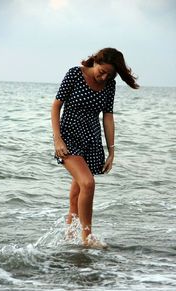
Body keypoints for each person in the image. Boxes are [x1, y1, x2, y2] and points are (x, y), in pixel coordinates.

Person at [51, 47, 139, 247]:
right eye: (102, 71)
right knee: (88, 183)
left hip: (91, 139)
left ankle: (69, 235)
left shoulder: (110, 85)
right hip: (68, 137)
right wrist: (57, 139)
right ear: (95, 62)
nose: (104, 77)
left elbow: (108, 116)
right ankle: (87, 238)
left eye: (110, 74)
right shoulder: (75, 74)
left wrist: (112, 150)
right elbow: (56, 105)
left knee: (77, 191)